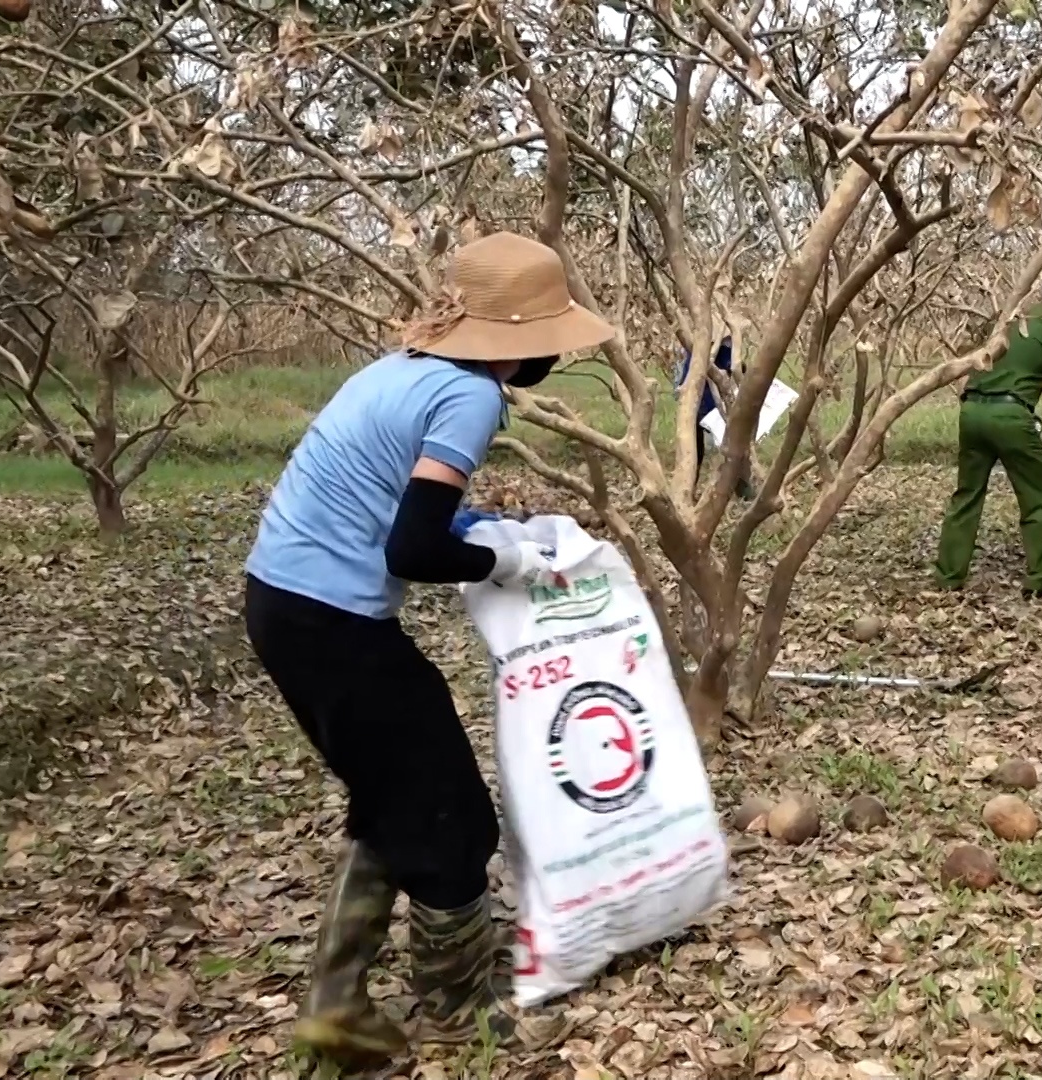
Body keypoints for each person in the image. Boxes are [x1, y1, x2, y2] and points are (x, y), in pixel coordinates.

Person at [242, 232, 615, 1061]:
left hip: (281, 603)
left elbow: (394, 502)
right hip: (328, 620)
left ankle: (335, 1006)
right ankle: (457, 1010)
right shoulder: (471, 398)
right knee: (451, 818)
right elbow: (410, 551)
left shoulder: (401, 368)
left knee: (393, 791)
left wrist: (484, 526)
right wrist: (510, 558)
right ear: (522, 339)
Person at [934, 273, 1042, 597]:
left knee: (967, 494)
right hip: (1011, 417)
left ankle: (948, 576)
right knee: (1038, 498)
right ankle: (1040, 579)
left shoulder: (1007, 320)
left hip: (972, 411)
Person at [673, 334, 752, 499]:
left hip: (700, 400)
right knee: (727, 446)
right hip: (704, 401)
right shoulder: (714, 350)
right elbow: (735, 367)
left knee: (701, 449)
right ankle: (741, 489)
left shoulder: (699, 351)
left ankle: (740, 488)